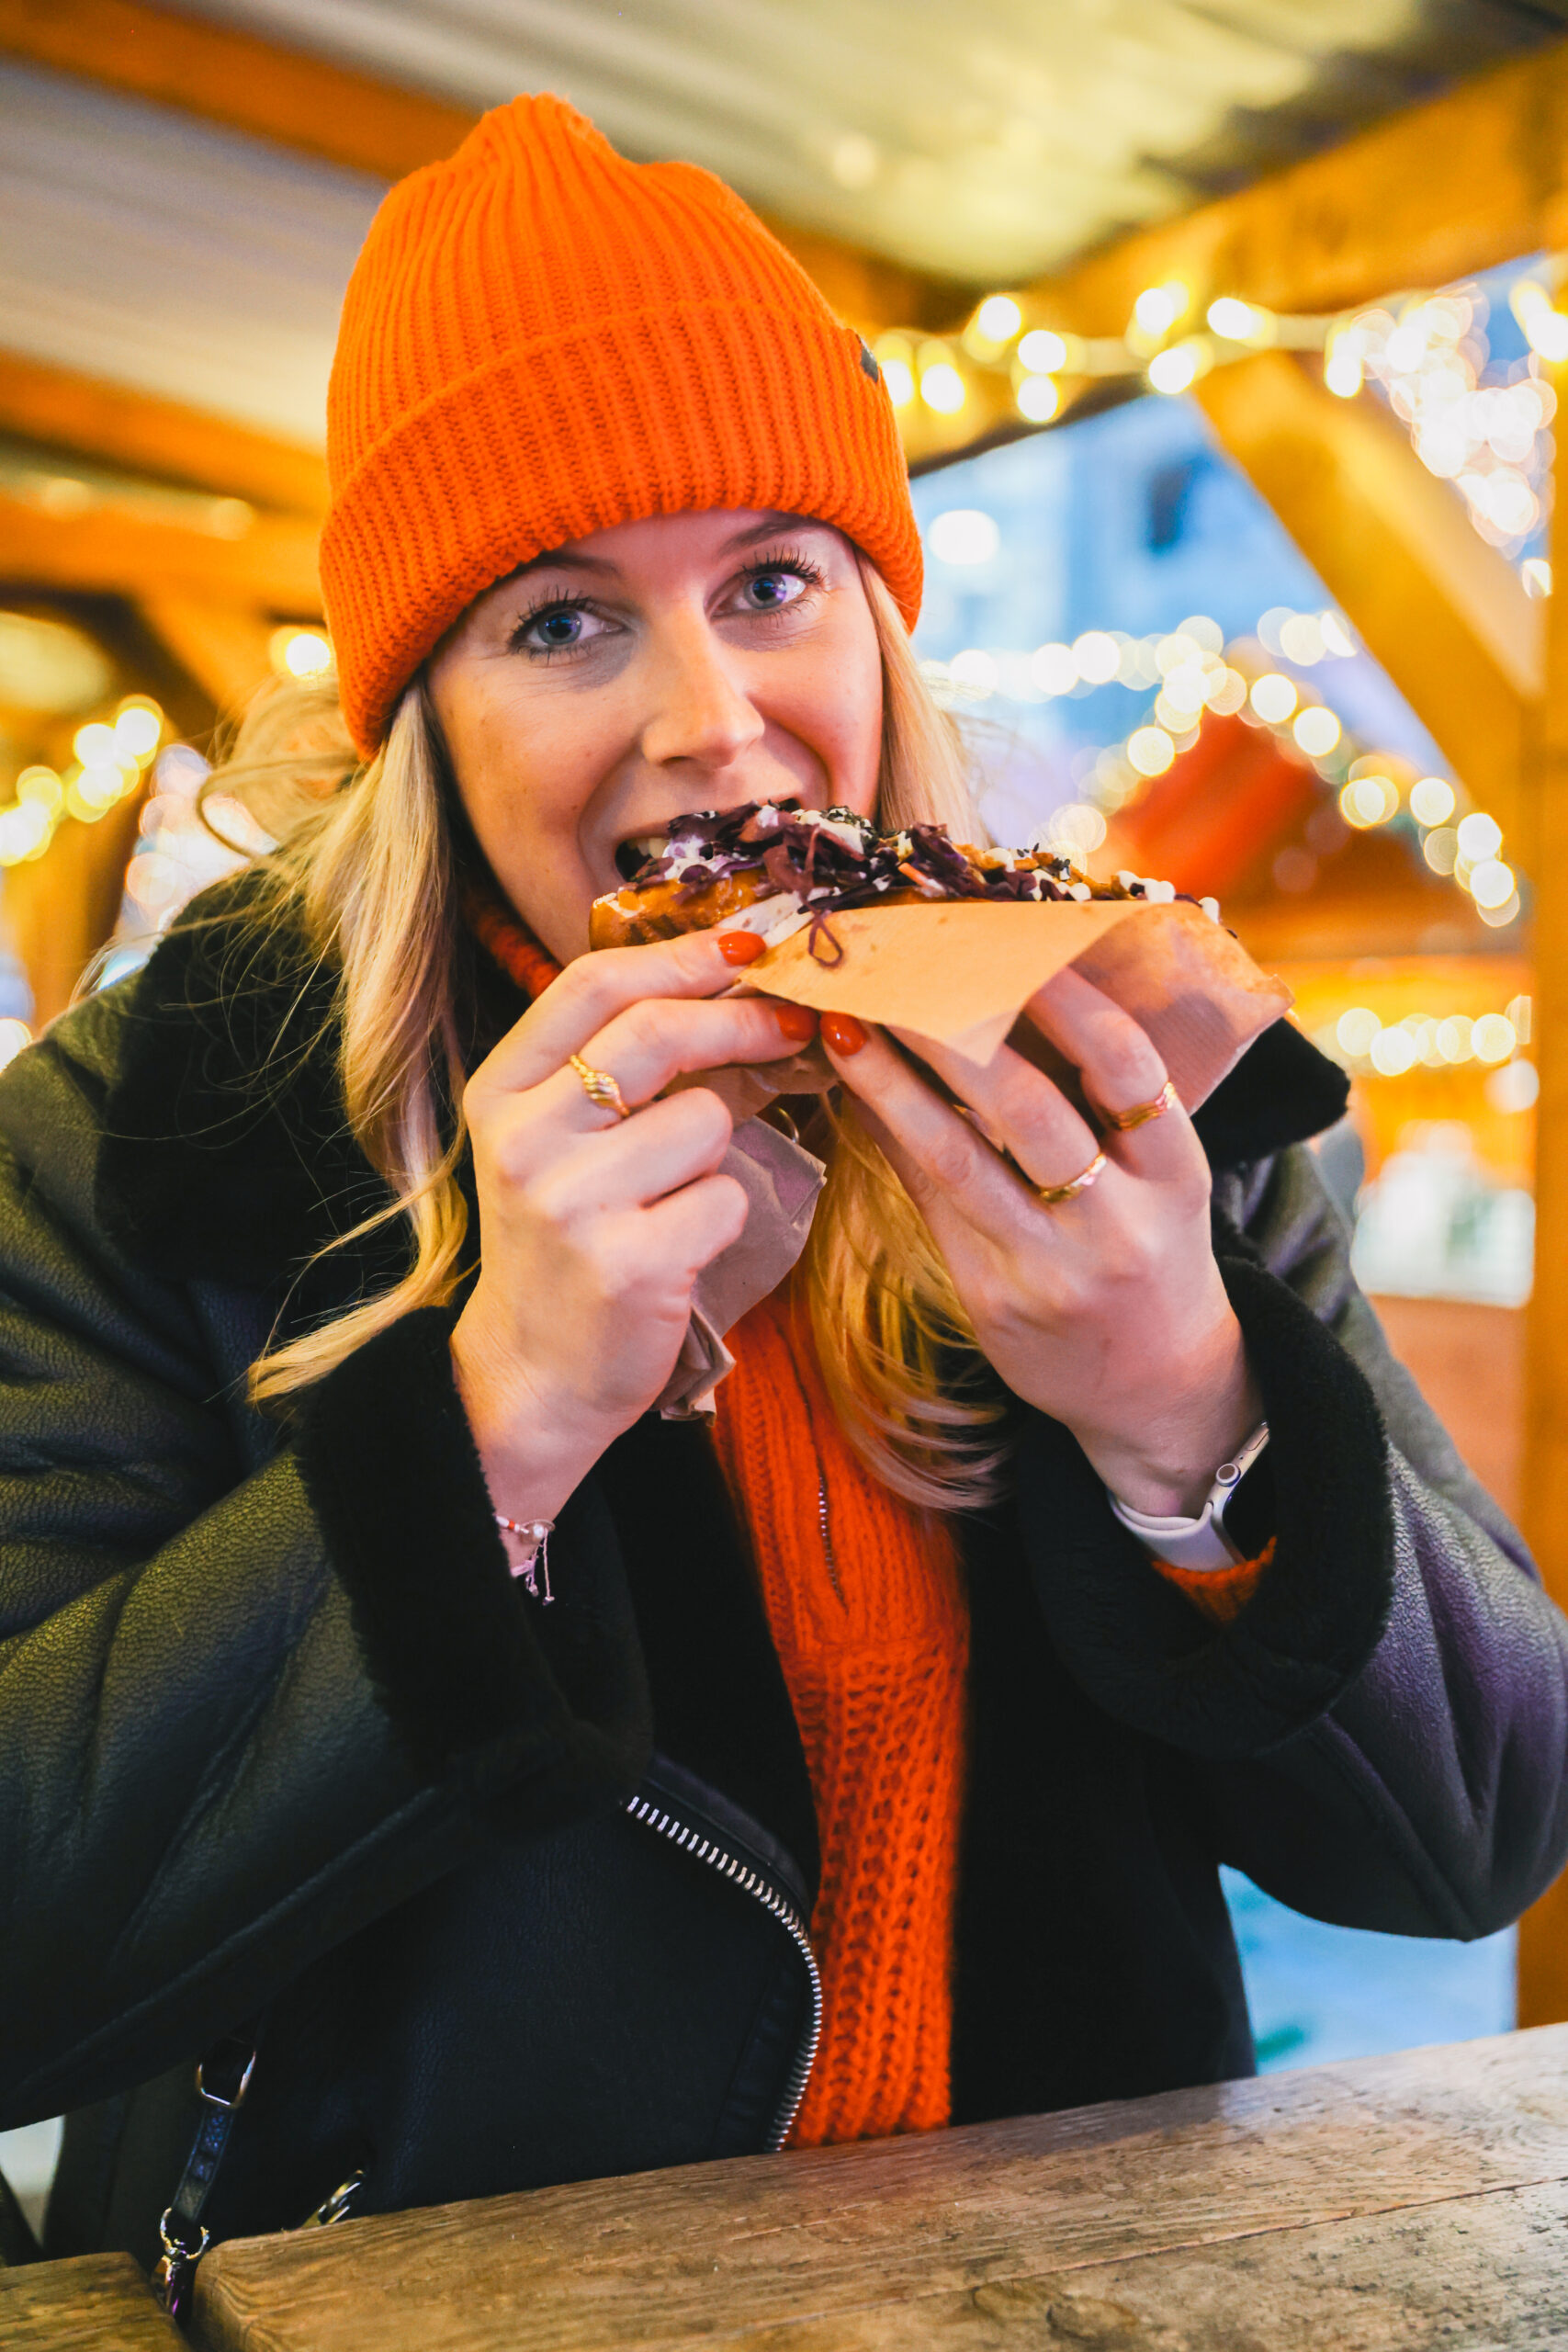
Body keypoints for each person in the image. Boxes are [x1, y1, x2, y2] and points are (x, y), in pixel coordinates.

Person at [3, 96, 1565, 2290]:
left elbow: (1480, 1828)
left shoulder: (1135, 1062)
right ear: (417, 717)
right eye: (560, 623)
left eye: (769, 582)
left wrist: (1177, 1408)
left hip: (1069, 2307)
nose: (711, 721)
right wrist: (491, 1425)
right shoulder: (145, 1134)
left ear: (875, 619)